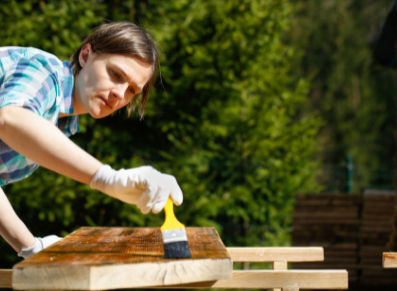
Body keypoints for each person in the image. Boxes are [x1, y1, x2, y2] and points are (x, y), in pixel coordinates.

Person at [0, 22, 183, 259]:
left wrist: (32, 248)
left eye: (131, 91)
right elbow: (11, 118)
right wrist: (107, 178)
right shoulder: (43, 71)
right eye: (115, 74)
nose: (119, 94)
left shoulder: (60, 121)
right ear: (86, 55)